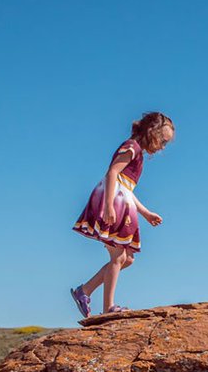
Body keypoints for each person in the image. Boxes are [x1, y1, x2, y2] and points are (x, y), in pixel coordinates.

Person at [70, 112, 174, 318]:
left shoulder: (138, 153)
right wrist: (108, 205)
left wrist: (145, 213)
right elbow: (112, 174)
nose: (162, 147)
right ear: (152, 132)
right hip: (112, 201)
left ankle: (85, 291)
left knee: (127, 259)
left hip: (122, 201)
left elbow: (127, 189)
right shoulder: (131, 147)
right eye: (162, 141)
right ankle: (108, 307)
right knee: (118, 256)